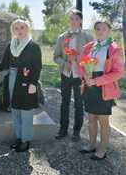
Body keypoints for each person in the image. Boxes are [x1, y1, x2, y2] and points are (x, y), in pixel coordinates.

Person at [0, 18, 42, 152]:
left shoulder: (33, 46)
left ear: (27, 29)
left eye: (22, 27)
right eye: (16, 28)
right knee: (15, 111)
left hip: (26, 81)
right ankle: (19, 138)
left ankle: (26, 140)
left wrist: (33, 84)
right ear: (13, 31)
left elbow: (37, 67)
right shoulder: (11, 45)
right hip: (12, 79)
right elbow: (3, 64)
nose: (19, 31)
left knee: (26, 112)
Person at [79, 20, 124, 160]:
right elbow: (81, 64)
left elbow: (118, 73)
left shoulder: (115, 49)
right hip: (89, 85)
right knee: (91, 118)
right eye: (97, 29)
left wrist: (97, 81)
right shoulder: (88, 47)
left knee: (103, 120)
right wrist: (85, 75)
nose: (100, 31)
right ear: (95, 31)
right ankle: (91, 145)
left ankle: (102, 149)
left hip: (104, 86)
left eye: (103, 28)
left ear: (109, 30)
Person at [53, 9, 93, 141]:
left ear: (80, 20)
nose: (74, 21)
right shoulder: (61, 37)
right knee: (64, 103)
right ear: (69, 20)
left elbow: (91, 57)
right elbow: (56, 57)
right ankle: (63, 129)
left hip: (80, 75)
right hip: (66, 75)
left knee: (79, 104)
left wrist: (79, 60)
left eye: (76, 19)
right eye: (71, 19)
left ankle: (76, 131)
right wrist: (65, 63)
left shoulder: (87, 37)